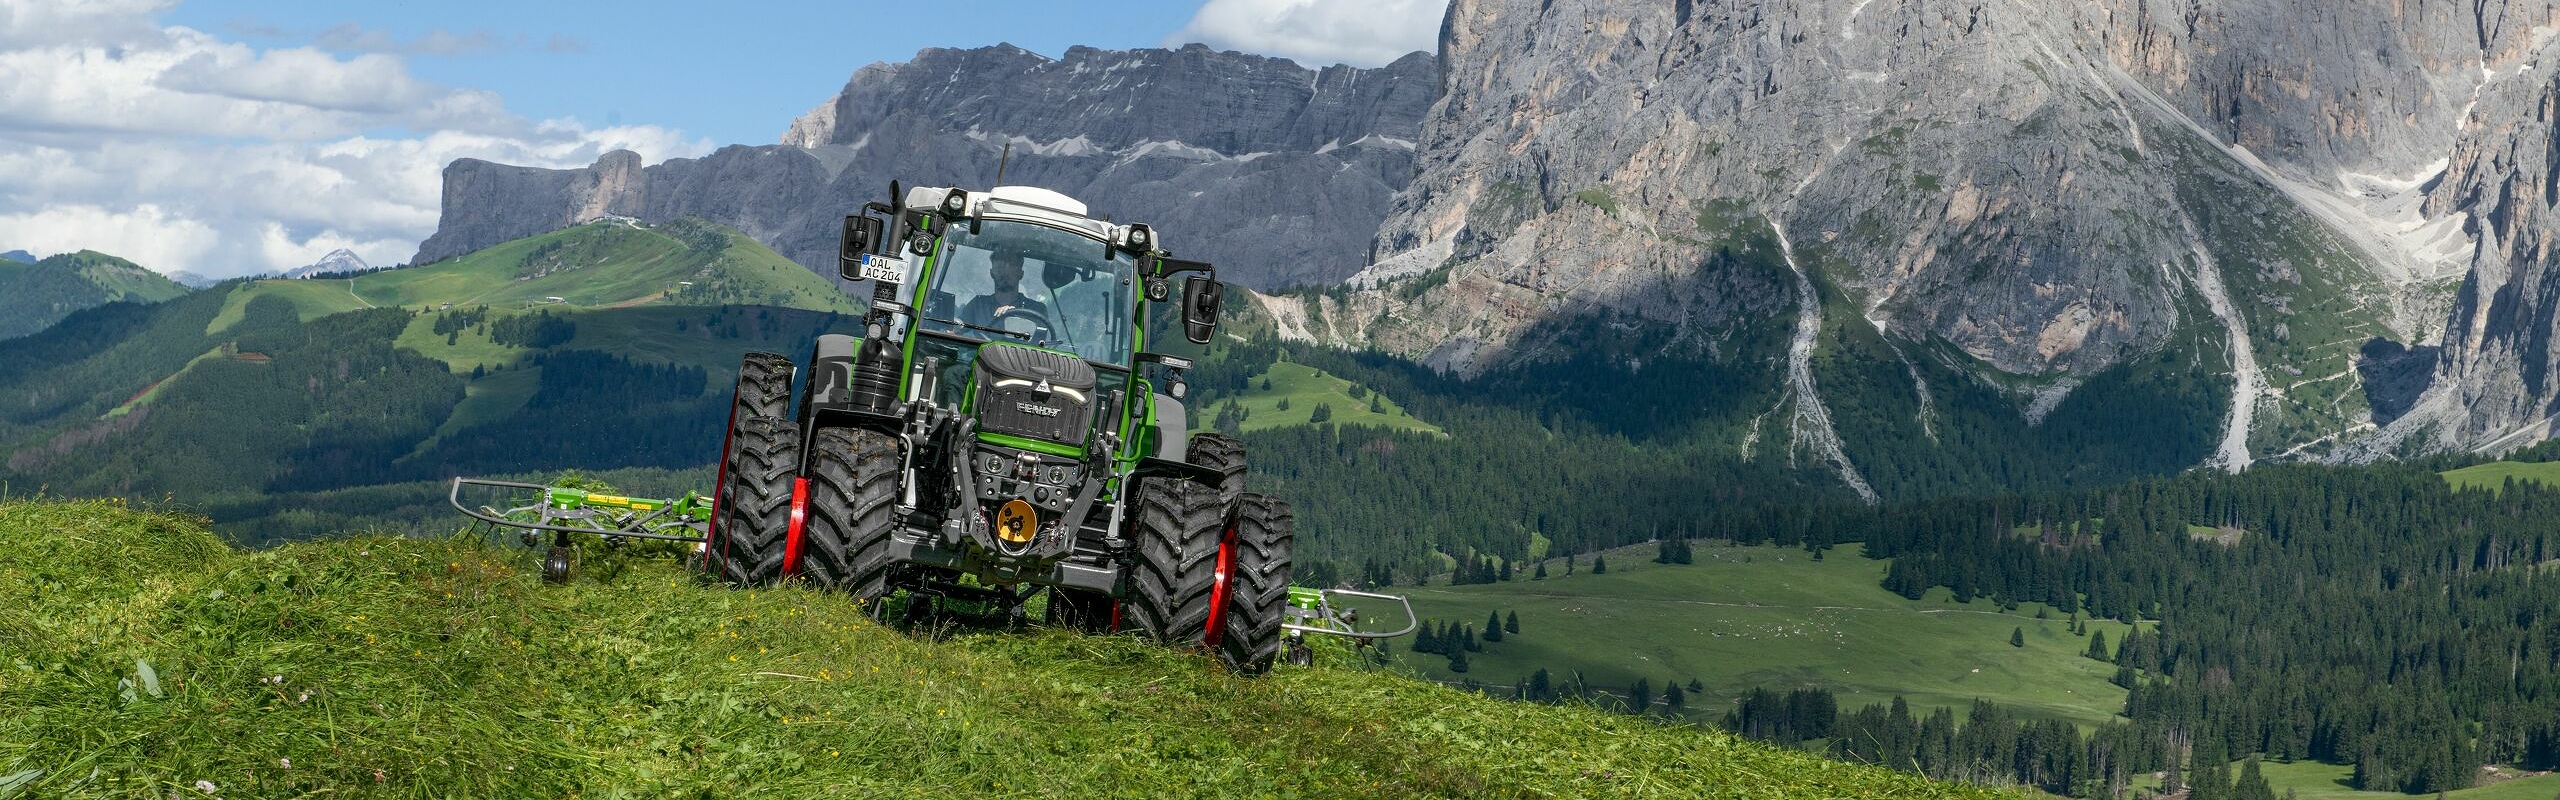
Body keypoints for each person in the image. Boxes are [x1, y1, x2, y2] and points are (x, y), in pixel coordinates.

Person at [961, 250, 1049, 330]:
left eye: (1011, 265)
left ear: (1021, 274)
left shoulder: (1036, 310)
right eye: (1000, 266)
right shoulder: (977, 305)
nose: (1005, 271)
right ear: (992, 273)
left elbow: (1041, 342)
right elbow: (956, 330)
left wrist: (1016, 316)